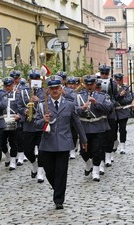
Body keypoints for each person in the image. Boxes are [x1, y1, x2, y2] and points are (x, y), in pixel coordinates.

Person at [34, 75, 87, 210]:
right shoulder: (42, 105)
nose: (55, 90)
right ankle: (57, 187)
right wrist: (43, 121)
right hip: (47, 143)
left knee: (61, 172)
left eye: (57, 88)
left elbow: (76, 123)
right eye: (52, 88)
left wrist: (83, 139)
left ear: (61, 88)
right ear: (48, 90)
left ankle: (59, 200)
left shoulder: (69, 104)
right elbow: (35, 124)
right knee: (49, 171)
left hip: (64, 143)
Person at [75, 75, 112, 181]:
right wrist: (82, 108)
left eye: (91, 84)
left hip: (98, 127)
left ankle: (95, 171)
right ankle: (88, 165)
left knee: (97, 150)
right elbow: (73, 110)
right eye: (87, 84)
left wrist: (96, 103)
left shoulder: (102, 96)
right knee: (83, 151)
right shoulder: (79, 96)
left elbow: (108, 109)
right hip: (84, 127)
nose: (89, 86)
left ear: (95, 84)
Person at [17, 69, 45, 183]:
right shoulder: (23, 92)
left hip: (41, 124)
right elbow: (18, 106)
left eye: (36, 79)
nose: (34, 81)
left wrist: (39, 101)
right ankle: (34, 164)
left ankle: (40, 171)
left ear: (39, 79)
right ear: (29, 80)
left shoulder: (44, 92)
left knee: (42, 149)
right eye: (32, 79)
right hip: (28, 125)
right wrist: (24, 111)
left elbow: (49, 105)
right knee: (28, 151)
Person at [2, 77, 20, 171]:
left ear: (13, 85)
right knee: (1, 142)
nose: (7, 87)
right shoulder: (1, 95)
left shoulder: (17, 95)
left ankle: (13, 161)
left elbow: (21, 106)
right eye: (6, 85)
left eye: (9, 85)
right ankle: (7, 155)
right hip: (3, 120)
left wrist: (19, 115)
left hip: (14, 120)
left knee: (13, 142)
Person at [113, 73, 133, 154]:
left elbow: (129, 99)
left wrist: (120, 100)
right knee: (113, 130)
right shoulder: (112, 88)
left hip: (123, 111)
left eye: (119, 80)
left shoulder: (125, 88)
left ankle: (122, 146)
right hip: (114, 112)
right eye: (116, 80)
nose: (118, 81)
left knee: (122, 129)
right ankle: (115, 142)